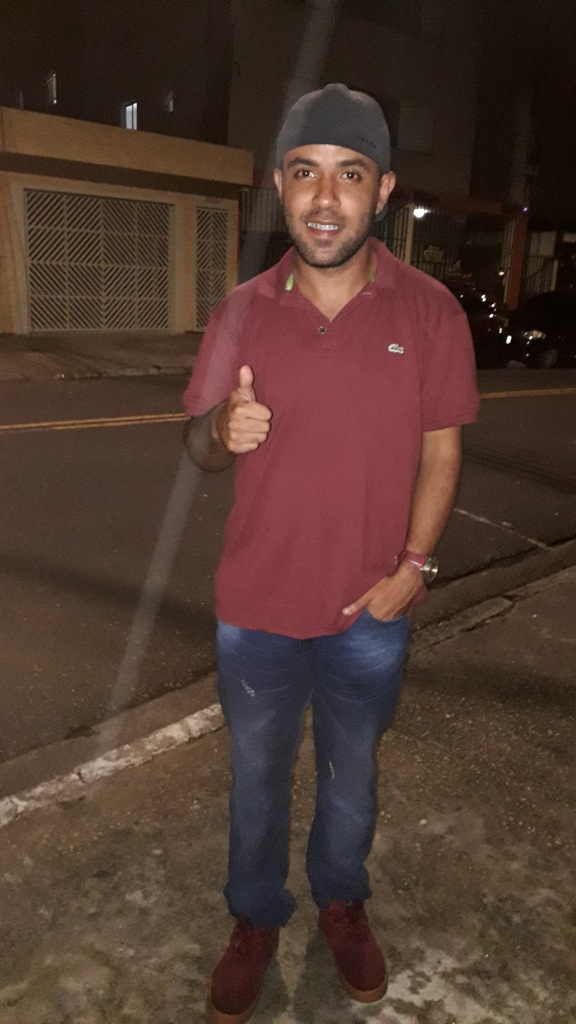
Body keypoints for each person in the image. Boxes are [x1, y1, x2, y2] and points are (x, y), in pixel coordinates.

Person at [183, 83, 479, 1024]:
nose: (323, 197)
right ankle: (255, 918)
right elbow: (195, 444)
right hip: (257, 610)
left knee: (353, 782)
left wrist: (413, 569)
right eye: (304, 172)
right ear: (278, 184)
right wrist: (222, 428)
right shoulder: (241, 310)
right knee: (256, 783)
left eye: (349, 175)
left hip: (368, 612)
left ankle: (341, 905)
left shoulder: (431, 313)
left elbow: (442, 451)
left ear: (382, 190)